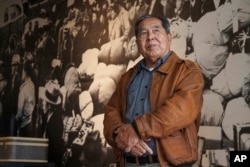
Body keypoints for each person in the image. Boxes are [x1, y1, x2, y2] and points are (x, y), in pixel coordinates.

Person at [103, 14, 204, 167]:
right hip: (128, 163)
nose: (150, 37)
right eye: (143, 33)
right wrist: (120, 134)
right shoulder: (127, 77)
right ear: (137, 42)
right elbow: (111, 111)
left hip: (168, 164)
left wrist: (137, 129)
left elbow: (180, 111)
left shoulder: (187, 71)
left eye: (156, 30)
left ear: (169, 37)